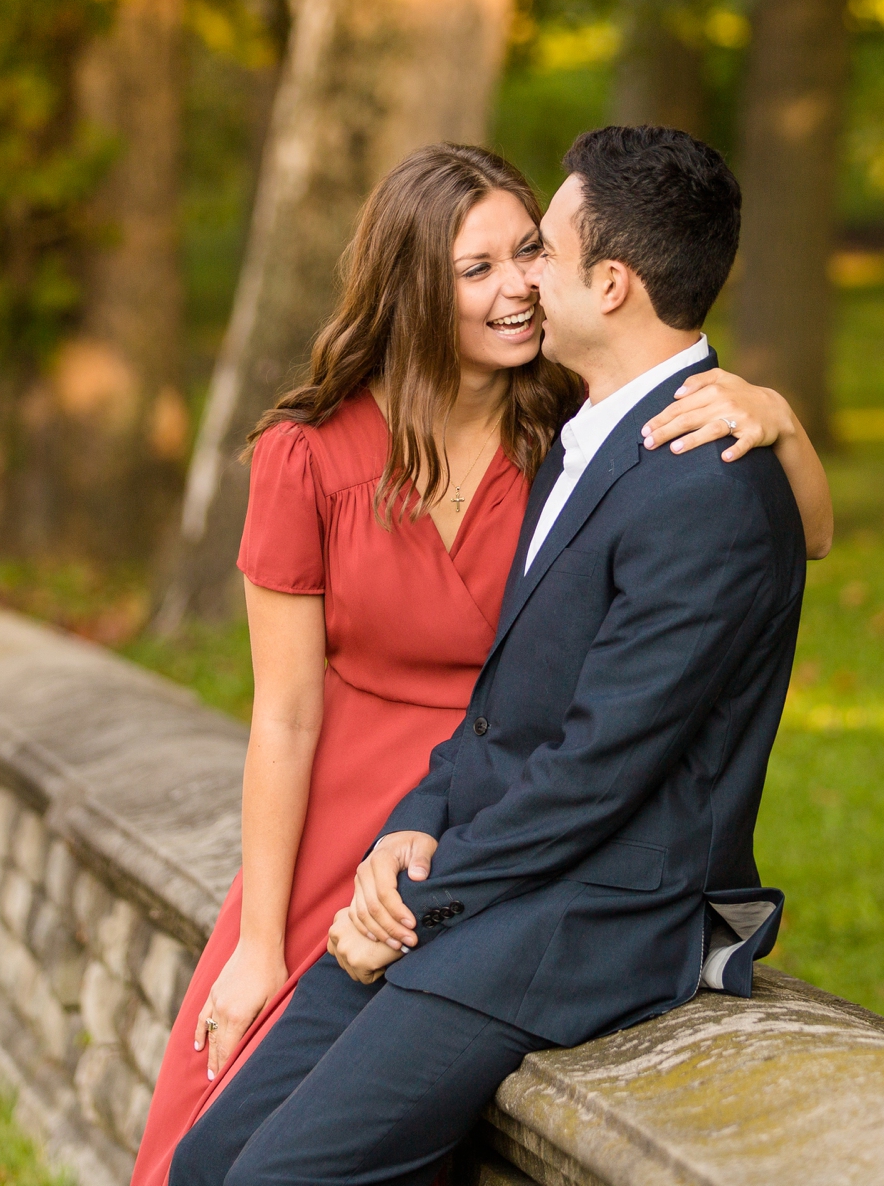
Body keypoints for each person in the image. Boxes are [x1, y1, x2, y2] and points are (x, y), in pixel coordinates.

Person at [131, 137, 830, 1186]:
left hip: (564, 901)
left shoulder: (690, 477)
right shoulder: (578, 439)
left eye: (537, 249)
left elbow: (600, 767)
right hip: (436, 834)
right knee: (208, 1160)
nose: (522, 281)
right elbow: (494, 708)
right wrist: (412, 832)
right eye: (486, 264)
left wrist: (414, 896)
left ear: (608, 282)